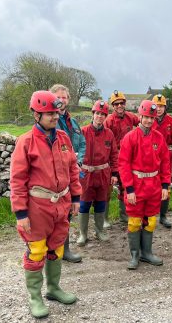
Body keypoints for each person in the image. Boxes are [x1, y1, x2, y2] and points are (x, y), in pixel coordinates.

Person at [10, 91, 82, 318]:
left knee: (57, 247)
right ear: (36, 115)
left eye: (55, 112)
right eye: (48, 113)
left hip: (62, 203)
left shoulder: (63, 138)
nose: (54, 116)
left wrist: (77, 197)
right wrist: (21, 213)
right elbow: (18, 180)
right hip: (37, 207)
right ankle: (35, 297)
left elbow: (72, 169)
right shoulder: (26, 142)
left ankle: (53, 288)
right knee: (37, 251)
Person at [118, 100, 171, 270]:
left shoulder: (159, 137)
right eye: (146, 117)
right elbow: (124, 164)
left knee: (150, 221)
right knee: (134, 221)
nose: (148, 120)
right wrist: (129, 189)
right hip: (136, 184)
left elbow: (164, 163)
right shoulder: (130, 137)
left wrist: (165, 185)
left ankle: (146, 252)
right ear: (140, 116)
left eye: (151, 117)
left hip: (154, 185)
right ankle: (134, 254)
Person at [50, 84, 86, 263]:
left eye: (64, 97)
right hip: (56, 175)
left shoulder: (73, 122)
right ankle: (50, 252)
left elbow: (82, 143)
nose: (62, 100)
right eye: (58, 97)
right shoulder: (50, 120)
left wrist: (78, 160)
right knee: (54, 214)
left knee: (68, 212)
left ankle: (64, 249)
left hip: (73, 173)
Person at [77, 100, 118, 246]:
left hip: (103, 175)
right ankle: (83, 234)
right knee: (84, 205)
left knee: (101, 203)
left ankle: (100, 231)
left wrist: (114, 174)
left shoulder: (109, 134)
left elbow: (114, 155)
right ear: (93, 114)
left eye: (103, 114)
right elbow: (75, 152)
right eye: (98, 113)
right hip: (86, 175)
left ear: (106, 116)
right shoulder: (83, 132)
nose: (100, 116)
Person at [104, 90, 139, 226]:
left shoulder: (131, 117)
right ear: (113, 106)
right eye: (116, 104)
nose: (119, 106)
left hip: (128, 158)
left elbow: (143, 123)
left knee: (126, 186)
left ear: (125, 104)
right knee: (107, 189)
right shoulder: (108, 121)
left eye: (122, 103)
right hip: (112, 158)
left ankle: (124, 215)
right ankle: (105, 219)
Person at [151, 94, 172, 228]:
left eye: (161, 106)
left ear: (165, 107)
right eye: (156, 106)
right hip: (150, 156)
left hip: (166, 158)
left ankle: (163, 216)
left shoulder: (171, 121)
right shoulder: (148, 119)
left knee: (165, 186)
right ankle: (150, 215)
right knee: (150, 185)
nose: (158, 109)